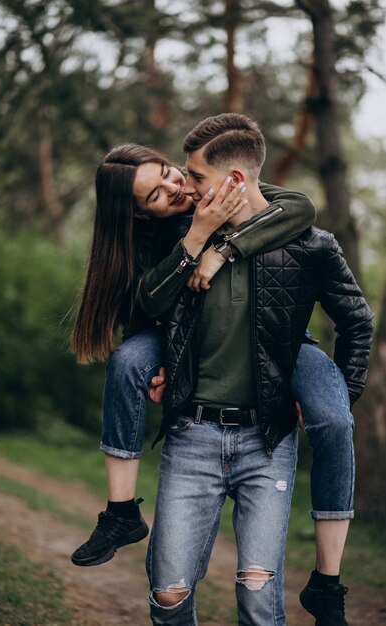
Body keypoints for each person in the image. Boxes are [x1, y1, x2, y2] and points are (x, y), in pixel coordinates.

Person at [132, 114, 373, 626]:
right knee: (169, 594)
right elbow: (148, 307)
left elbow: (357, 323)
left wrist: (336, 398)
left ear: (234, 181)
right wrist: (197, 241)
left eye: (195, 177)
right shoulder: (184, 235)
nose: (185, 186)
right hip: (191, 435)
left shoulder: (311, 246)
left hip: (267, 443)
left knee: (260, 601)